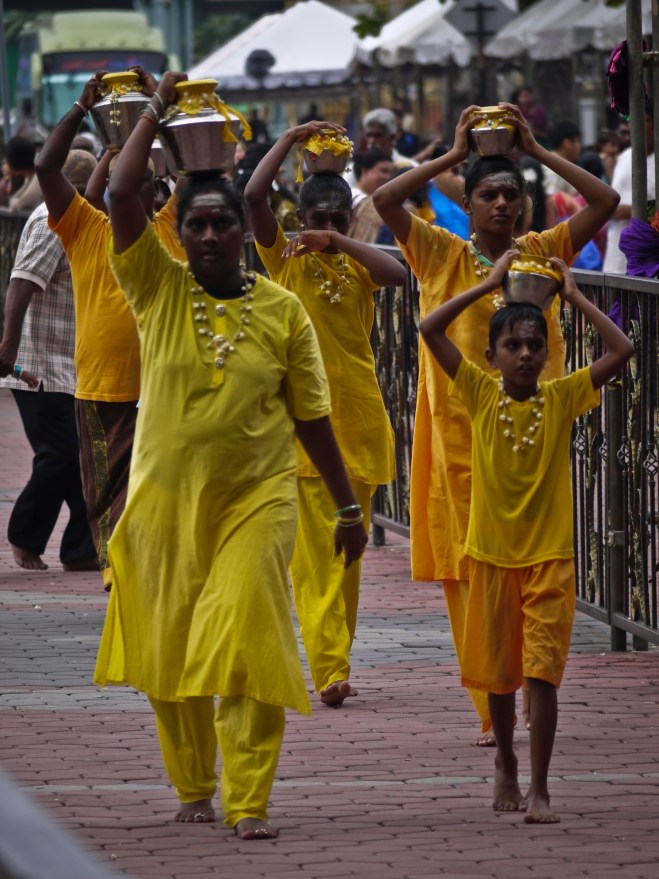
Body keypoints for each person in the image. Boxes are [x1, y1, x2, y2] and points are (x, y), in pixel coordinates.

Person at [94, 71, 368, 840]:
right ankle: (193, 783)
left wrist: (347, 506)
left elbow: (312, 419)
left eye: (222, 223)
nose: (210, 235)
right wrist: (155, 110)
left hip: (259, 499)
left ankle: (248, 798)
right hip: (164, 505)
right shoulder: (155, 287)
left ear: (245, 230)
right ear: (178, 234)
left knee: (246, 637)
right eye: (197, 225)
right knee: (172, 647)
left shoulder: (282, 311)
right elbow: (120, 194)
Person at [373, 102, 619, 745]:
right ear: (469, 202)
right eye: (489, 195)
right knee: (472, 577)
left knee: (537, 571)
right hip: (461, 443)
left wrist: (534, 150)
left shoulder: (542, 251)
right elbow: (386, 201)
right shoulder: (438, 250)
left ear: (524, 203)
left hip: (534, 444)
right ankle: (492, 706)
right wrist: (455, 154)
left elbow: (605, 200)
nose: (502, 204)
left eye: (511, 194)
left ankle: (532, 689)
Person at [418, 251, 634, 823]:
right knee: (499, 675)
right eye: (512, 346)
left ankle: (540, 786)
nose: (525, 354)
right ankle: (507, 763)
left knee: (541, 673)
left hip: (549, 560)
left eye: (534, 345)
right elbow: (429, 328)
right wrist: (488, 284)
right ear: (491, 356)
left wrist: (575, 297)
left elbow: (622, 351)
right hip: (491, 557)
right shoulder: (478, 389)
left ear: (546, 352)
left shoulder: (561, 396)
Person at [244, 121, 405, 707]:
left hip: (359, 422)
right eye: (320, 218)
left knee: (349, 552)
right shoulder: (282, 257)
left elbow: (399, 274)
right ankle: (330, 667)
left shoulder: (359, 261)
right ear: (301, 217)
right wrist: (289, 139)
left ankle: (336, 656)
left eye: (339, 217)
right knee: (314, 557)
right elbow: (253, 196)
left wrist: (340, 241)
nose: (329, 226)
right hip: (305, 428)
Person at [35, 68, 185, 589]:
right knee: (109, 500)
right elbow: (46, 166)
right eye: (123, 183)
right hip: (103, 390)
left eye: (141, 183)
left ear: (154, 192)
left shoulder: (173, 227)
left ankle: (156, 578)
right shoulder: (84, 228)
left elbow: (197, 169)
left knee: (166, 494)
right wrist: (82, 108)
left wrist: (167, 105)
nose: (129, 193)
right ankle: (121, 579)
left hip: (167, 388)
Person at [0, 150, 98, 573]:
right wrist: (8, 348)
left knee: (80, 457)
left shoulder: (74, 220)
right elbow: (22, 282)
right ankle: (25, 536)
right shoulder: (51, 222)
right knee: (60, 454)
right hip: (39, 365)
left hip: (66, 362)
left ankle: (81, 548)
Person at [603, 102, 655, 275]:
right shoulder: (625, 156)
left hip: (647, 262)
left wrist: (634, 211)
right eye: (631, 120)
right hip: (615, 258)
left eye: (642, 119)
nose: (634, 125)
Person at [348, 148, 394, 243]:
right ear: (365, 171)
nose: (388, 177)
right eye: (383, 171)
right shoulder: (351, 197)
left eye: (390, 173)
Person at [5, 137, 43, 213]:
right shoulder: (29, 177)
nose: (4, 166)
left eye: (7, 162)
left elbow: (19, 204)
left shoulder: (39, 178)